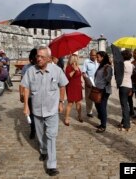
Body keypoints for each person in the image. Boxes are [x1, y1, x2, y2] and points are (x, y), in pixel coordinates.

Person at [21, 45, 68, 176]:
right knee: (41, 135)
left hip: (52, 110)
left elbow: (63, 85)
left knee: (51, 136)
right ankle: (43, 150)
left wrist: (61, 102)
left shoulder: (57, 70)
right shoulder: (31, 71)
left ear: (48, 58)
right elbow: (25, 88)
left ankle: (51, 165)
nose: (38, 59)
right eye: (37, 56)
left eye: (42, 57)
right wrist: (26, 106)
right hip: (36, 110)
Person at [19, 48, 37, 139]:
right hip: (29, 95)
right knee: (31, 114)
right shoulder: (26, 67)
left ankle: (37, 129)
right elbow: (22, 82)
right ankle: (33, 129)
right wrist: (21, 94)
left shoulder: (42, 67)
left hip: (39, 96)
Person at [94, 51, 113, 133]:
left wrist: (106, 72)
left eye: (98, 57)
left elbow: (108, 79)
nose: (96, 58)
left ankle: (103, 125)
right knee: (97, 105)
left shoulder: (108, 67)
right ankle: (102, 121)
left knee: (102, 107)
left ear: (102, 57)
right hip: (98, 89)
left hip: (104, 90)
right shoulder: (100, 66)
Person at [64, 54, 83, 125]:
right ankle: (66, 118)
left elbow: (78, 76)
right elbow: (68, 77)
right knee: (70, 103)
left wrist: (81, 83)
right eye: (76, 59)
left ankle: (79, 116)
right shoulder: (68, 67)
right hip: (71, 87)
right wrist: (74, 71)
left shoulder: (78, 67)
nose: (77, 60)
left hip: (78, 87)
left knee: (78, 103)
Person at [117, 49, 134, 131]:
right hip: (129, 85)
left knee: (124, 106)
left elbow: (118, 74)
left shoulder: (122, 64)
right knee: (126, 104)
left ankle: (126, 125)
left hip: (123, 85)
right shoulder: (131, 64)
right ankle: (123, 122)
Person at [82, 49, 99, 117]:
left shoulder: (98, 61)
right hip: (89, 83)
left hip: (97, 83)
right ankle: (89, 112)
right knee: (88, 98)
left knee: (98, 98)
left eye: (95, 55)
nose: (93, 56)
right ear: (90, 55)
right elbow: (83, 72)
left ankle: (99, 112)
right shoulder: (86, 62)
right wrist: (87, 80)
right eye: (92, 55)